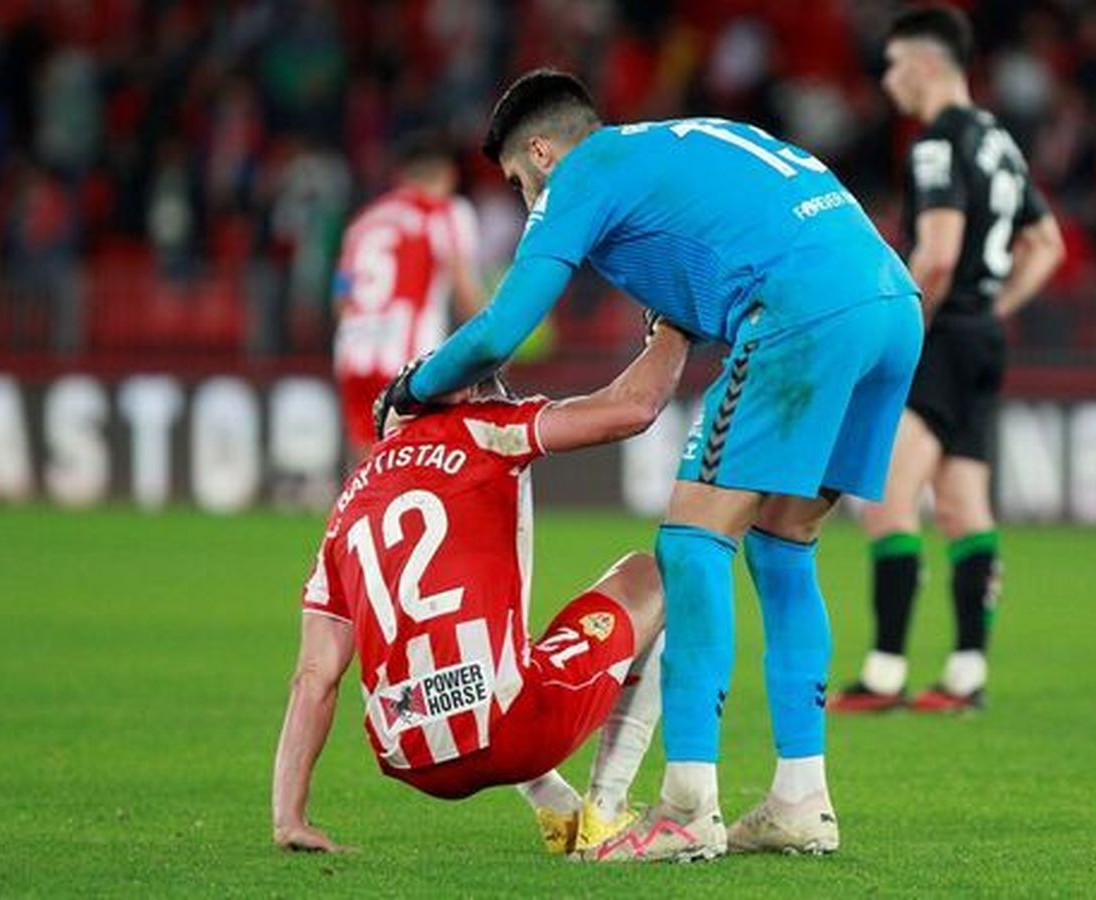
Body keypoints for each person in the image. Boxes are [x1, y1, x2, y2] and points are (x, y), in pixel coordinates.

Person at [373, 70, 923, 861]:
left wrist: (413, 386)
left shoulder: (586, 174)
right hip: (890, 305)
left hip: (803, 306)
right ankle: (800, 797)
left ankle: (687, 806)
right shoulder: (677, 151)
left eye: (524, 184)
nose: (531, 202)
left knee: (693, 544)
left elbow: (502, 330)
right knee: (781, 543)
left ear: (542, 150)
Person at [271, 321, 690, 856]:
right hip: (510, 730)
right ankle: (605, 814)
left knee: (497, 649)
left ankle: (556, 805)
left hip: (407, 751)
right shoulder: (484, 428)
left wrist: (289, 817)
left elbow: (314, 677)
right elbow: (633, 408)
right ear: (460, 396)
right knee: (651, 574)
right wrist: (672, 330)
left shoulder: (348, 504)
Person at [830, 6, 1065, 714]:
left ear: (928, 65)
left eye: (896, 64)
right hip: (982, 337)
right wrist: (992, 307)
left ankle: (885, 672)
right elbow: (1045, 243)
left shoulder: (936, 145)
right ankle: (965, 674)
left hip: (939, 336)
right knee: (963, 507)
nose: (889, 79)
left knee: (885, 502)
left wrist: (908, 328)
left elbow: (934, 256)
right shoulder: (997, 140)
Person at [331, 130, 484, 456]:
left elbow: (341, 295)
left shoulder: (364, 221)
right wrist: (490, 348)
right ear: (449, 175)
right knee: (416, 467)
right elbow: (464, 288)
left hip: (354, 351)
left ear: (401, 175)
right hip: (410, 358)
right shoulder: (445, 211)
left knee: (365, 469)